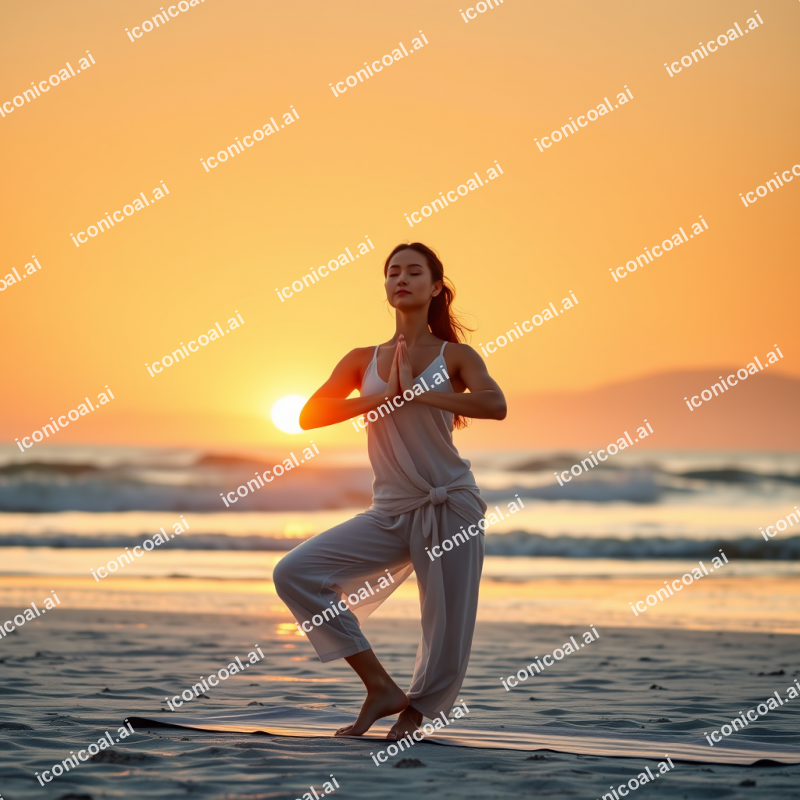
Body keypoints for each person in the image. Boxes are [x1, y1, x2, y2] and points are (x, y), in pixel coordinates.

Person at [273, 242, 507, 740]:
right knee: (296, 572)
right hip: (390, 510)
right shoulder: (363, 360)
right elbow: (308, 415)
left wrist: (424, 393)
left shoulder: (457, 355)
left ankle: (415, 714)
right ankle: (379, 685)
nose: (401, 278)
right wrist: (378, 398)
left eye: (413, 271)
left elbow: (495, 403)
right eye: (392, 272)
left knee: (444, 626)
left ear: (436, 286)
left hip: (451, 504)